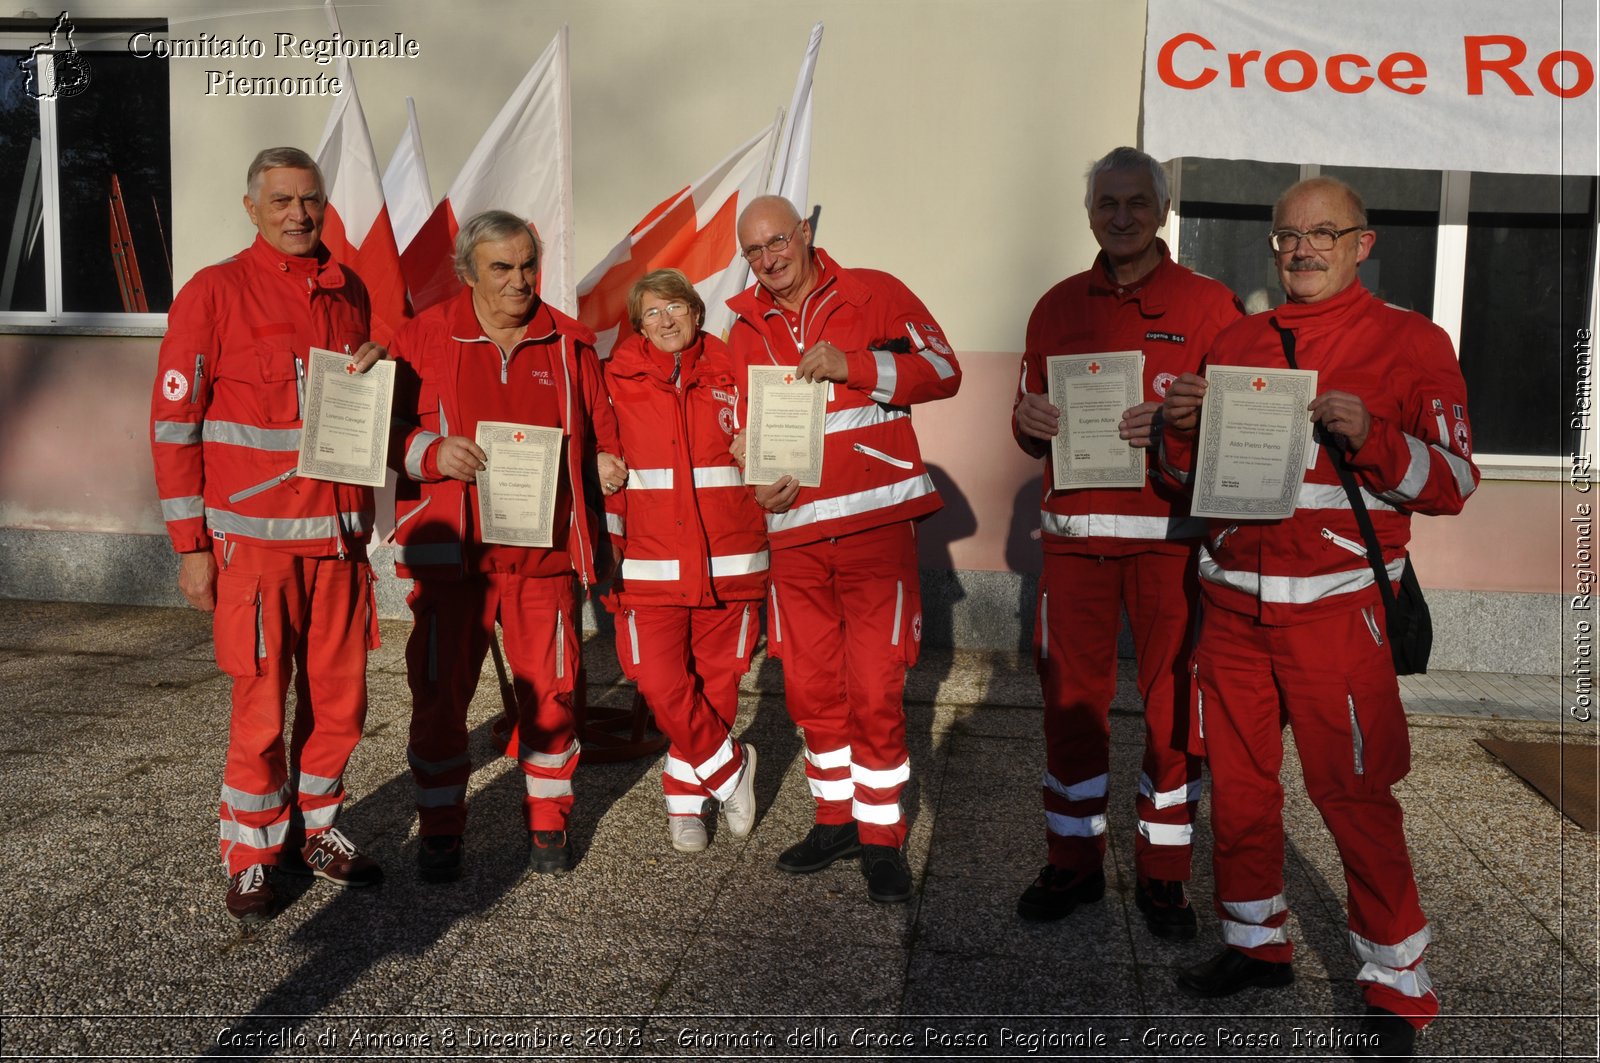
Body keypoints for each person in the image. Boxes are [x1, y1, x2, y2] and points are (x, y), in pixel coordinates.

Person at [1159, 176, 1478, 1055]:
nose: (1302, 249)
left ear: (1362, 244)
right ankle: (1255, 943)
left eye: (1323, 234)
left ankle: (1398, 984)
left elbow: (1454, 481)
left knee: (1356, 794)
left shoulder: (1413, 342)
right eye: (1287, 237)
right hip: (1229, 608)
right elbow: (1189, 480)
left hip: (1336, 616)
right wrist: (1178, 428)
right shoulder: (1235, 338)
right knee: (1243, 785)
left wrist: (1375, 436)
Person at [150, 146, 386, 925]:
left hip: (340, 542)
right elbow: (173, 426)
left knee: (341, 701)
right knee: (260, 705)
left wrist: (375, 368)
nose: (298, 214)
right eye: (281, 200)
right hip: (254, 549)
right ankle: (252, 853)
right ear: (251, 207)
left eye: (310, 200)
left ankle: (317, 829)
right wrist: (190, 547)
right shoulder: (213, 292)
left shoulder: (349, 290)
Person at [1011, 147, 1243, 936]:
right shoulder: (1053, 307)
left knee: (1176, 709)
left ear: (1162, 211)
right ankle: (1071, 862)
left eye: (1135, 202)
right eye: (1107, 203)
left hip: (1170, 545)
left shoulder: (1212, 306)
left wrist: (1198, 417)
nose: (1121, 216)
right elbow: (1025, 412)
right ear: (1089, 214)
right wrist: (1029, 421)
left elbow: (1244, 431)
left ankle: (1165, 872)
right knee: (1071, 708)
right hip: (1074, 544)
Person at [725, 194, 960, 903]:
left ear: (805, 234)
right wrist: (753, 471)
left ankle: (881, 833)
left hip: (874, 526)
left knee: (875, 686)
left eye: (778, 243)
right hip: (795, 536)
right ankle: (835, 819)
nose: (769, 260)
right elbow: (742, 423)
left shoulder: (873, 293)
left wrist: (857, 364)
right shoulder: (742, 328)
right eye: (755, 251)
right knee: (810, 687)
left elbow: (945, 369)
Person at [390, 210, 624, 881]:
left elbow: (605, 437)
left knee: (553, 695)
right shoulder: (421, 337)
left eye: (528, 265)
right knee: (439, 698)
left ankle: (549, 824)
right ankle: (439, 829)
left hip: (542, 558)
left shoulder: (570, 342)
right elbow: (377, 427)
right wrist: (428, 450)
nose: (520, 280)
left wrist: (608, 468)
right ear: (468, 271)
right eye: (502, 267)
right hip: (451, 562)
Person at [601, 269, 765, 853]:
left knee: (717, 683)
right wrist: (597, 457)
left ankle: (684, 803)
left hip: (732, 558)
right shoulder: (612, 379)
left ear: (697, 311)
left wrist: (760, 441)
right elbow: (586, 438)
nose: (666, 320)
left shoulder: (737, 369)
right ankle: (729, 770)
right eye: (652, 312)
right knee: (660, 681)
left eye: (676, 307)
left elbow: (780, 438)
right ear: (637, 324)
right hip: (648, 566)